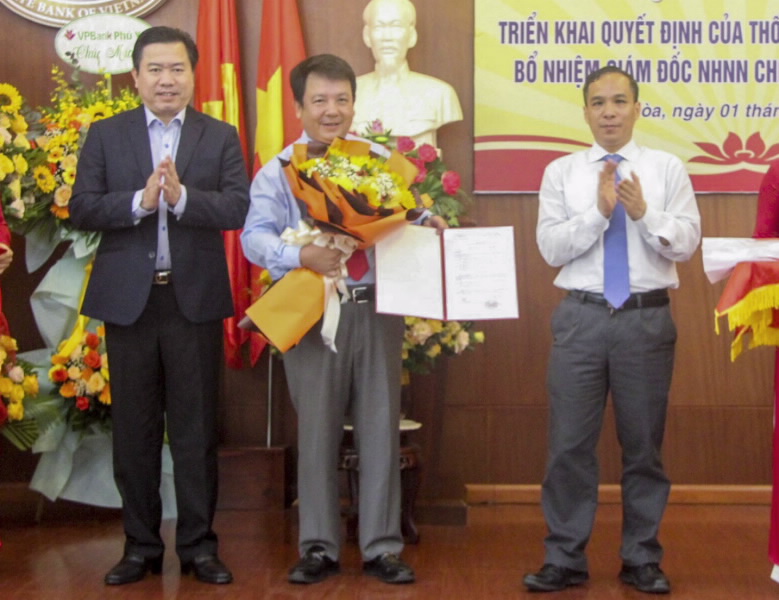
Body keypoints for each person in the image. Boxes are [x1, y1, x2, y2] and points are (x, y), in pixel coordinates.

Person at [241, 53, 445, 586]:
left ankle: (382, 547)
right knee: (317, 432)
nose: (331, 110)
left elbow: (405, 212)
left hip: (376, 308)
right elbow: (253, 238)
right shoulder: (279, 170)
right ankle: (318, 546)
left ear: (355, 104)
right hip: (312, 312)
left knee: (380, 427)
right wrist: (300, 256)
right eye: (319, 100)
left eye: (341, 100)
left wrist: (428, 222)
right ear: (298, 107)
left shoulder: (377, 160)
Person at [70, 26, 249, 586]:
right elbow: (82, 207)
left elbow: (237, 207)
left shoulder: (219, 136)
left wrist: (183, 198)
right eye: (155, 69)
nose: (166, 80)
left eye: (177, 69)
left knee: (196, 433)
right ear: (136, 77)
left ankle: (199, 547)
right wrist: (140, 202)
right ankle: (140, 547)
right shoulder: (107, 135)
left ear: (193, 75)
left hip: (192, 302)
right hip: (131, 304)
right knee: (135, 432)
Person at [524, 66, 701, 595]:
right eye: (598, 103)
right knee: (568, 445)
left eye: (619, 101)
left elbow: (686, 243)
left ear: (637, 109)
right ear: (585, 112)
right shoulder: (561, 172)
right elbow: (550, 249)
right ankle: (564, 558)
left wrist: (644, 214)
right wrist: (599, 215)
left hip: (646, 319)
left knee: (643, 446)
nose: (609, 112)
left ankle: (641, 558)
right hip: (581, 318)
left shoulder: (667, 168)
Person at [352, 0, 462, 147]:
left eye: (396, 26)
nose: (387, 37)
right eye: (379, 27)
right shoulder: (350, 93)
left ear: (411, 36)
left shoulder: (440, 94)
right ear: (367, 36)